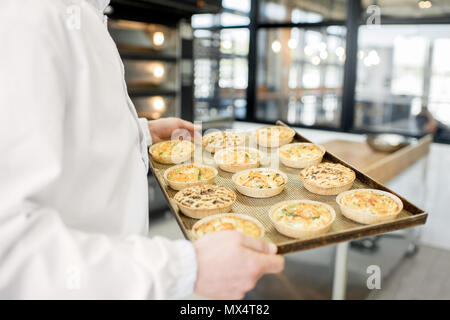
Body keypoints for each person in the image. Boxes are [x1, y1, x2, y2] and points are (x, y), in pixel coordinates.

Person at [0, 0, 284, 299]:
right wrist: (186, 268)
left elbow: (73, 132)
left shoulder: (86, 12)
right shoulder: (29, 14)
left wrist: (141, 132)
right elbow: (9, 247)